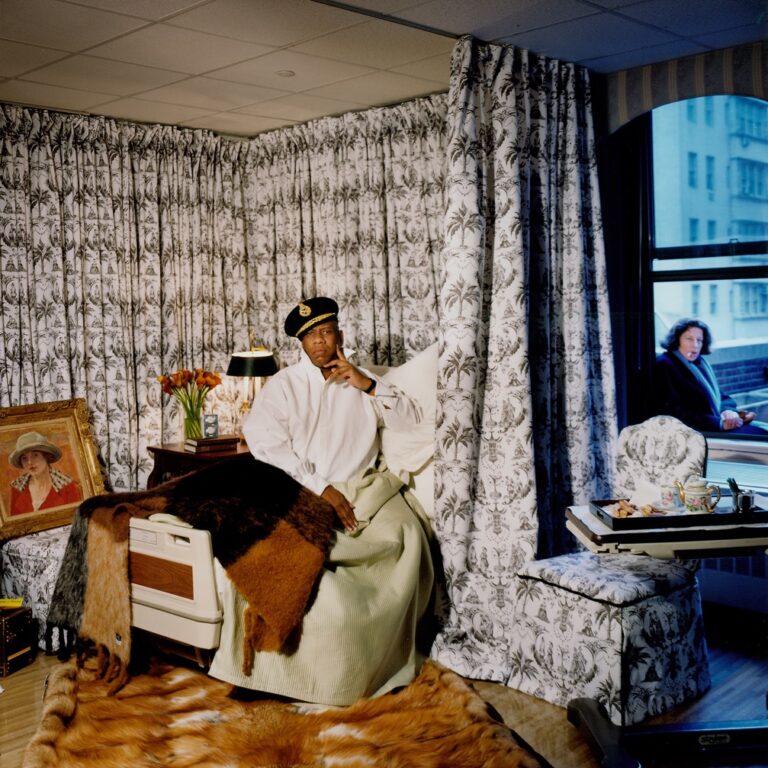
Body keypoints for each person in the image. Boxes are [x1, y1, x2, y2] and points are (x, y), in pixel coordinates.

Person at [208, 297, 435, 705]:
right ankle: (308, 680)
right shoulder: (284, 387)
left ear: (339, 335)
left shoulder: (365, 382)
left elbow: (414, 425)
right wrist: (320, 488)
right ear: (301, 343)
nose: (319, 341)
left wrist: (368, 384)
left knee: (409, 536)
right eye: (311, 335)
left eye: (326, 332)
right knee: (319, 588)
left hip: (365, 490)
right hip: (305, 491)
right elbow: (266, 444)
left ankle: (382, 665)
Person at [654, 318, 767, 435]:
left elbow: (721, 395)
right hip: (697, 433)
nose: (695, 345)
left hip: (715, 425)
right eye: (689, 339)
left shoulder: (699, 364)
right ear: (676, 340)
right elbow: (673, 412)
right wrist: (719, 424)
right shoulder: (665, 364)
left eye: (699, 340)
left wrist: (728, 412)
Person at [8, 431, 81, 516]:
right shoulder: (17, 487)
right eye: (24, 458)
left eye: (35, 455)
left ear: (46, 456)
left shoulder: (66, 486)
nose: (29, 462)